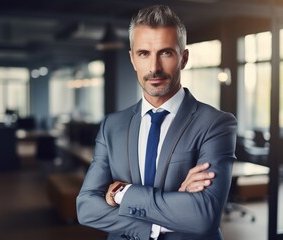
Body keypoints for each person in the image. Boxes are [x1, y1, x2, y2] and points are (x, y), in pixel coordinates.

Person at [77, 4, 237, 240]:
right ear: (132, 59)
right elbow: (86, 208)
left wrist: (121, 192)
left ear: (183, 58)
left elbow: (203, 215)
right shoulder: (112, 126)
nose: (154, 68)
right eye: (144, 54)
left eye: (166, 53)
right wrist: (161, 221)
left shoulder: (216, 124)